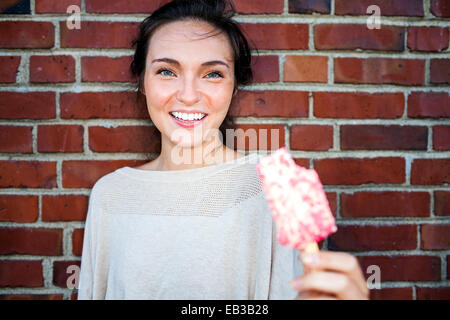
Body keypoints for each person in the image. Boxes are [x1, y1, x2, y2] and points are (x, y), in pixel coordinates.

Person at [77, 0, 369, 300]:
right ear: (142, 82)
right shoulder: (110, 195)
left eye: (213, 74)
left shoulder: (267, 188)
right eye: (166, 71)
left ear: (234, 88)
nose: (188, 95)